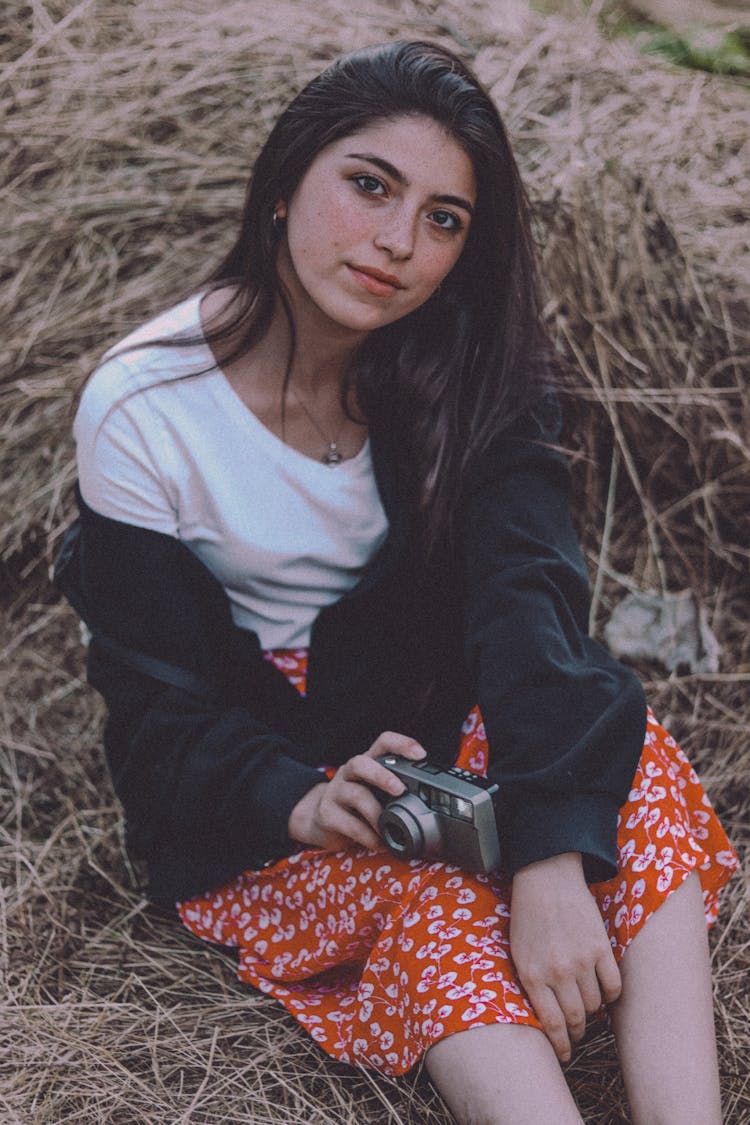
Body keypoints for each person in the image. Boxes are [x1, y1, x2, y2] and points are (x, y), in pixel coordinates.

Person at [59, 40, 737, 1125]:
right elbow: (158, 701)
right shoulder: (145, 407)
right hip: (266, 764)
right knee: (430, 905)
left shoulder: (471, 363)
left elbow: (526, 601)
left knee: (628, 769)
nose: (395, 243)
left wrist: (553, 852)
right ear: (284, 186)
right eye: (369, 186)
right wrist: (304, 798)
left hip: (425, 700)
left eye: (443, 219)